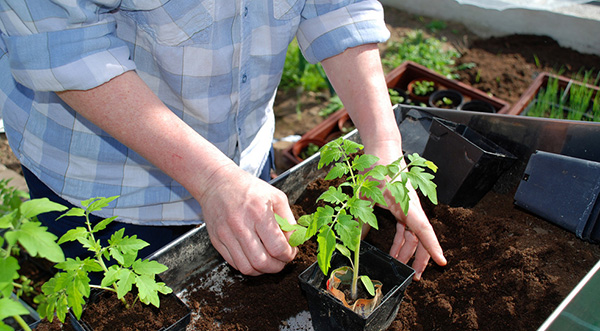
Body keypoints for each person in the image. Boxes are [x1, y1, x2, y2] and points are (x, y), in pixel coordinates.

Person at [0, 0, 446, 280]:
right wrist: (212, 180)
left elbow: (338, 5)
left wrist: (383, 146)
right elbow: (67, 44)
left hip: (244, 165)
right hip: (107, 188)